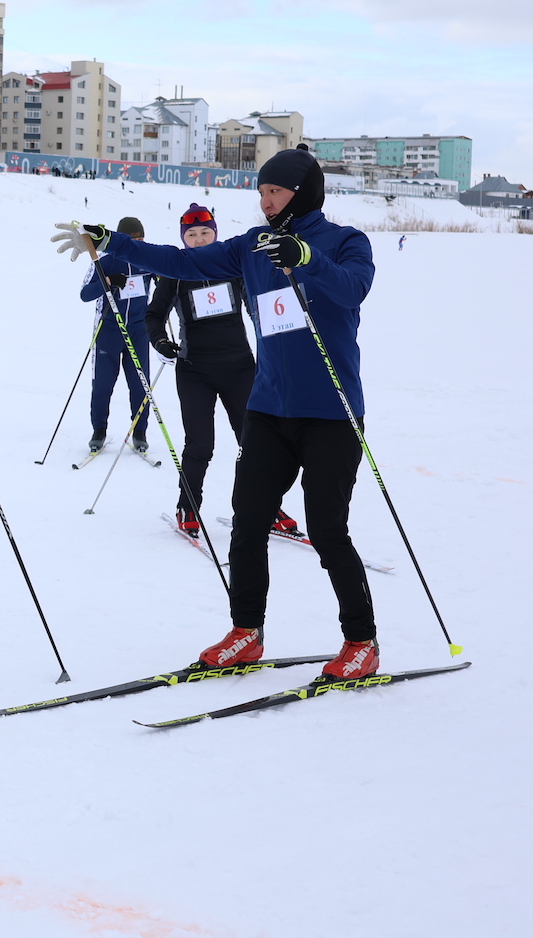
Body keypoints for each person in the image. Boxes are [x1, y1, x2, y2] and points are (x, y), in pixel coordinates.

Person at [52, 148, 380, 679]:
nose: (266, 202)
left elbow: (353, 290)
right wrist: (117, 244)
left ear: (304, 192)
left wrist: (306, 259)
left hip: (331, 413)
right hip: (269, 408)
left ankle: (361, 640)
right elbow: (183, 262)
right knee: (247, 521)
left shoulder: (345, 242)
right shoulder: (251, 247)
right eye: (262, 193)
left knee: (327, 529)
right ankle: (246, 631)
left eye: (275, 192)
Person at [146, 204, 295, 540]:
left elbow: (256, 307)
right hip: (194, 370)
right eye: (192, 236)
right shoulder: (176, 272)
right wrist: (160, 341)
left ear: (215, 233)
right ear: (184, 240)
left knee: (255, 442)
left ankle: (266, 506)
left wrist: (276, 333)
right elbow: (153, 315)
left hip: (240, 368)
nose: (199, 241)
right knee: (200, 446)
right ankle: (188, 506)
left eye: (205, 233)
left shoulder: (233, 265)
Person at [79, 216, 152, 455]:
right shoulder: (105, 261)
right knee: (102, 384)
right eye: (132, 240)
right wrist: (108, 281)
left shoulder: (148, 260)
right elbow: (85, 294)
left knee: (140, 384)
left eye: (141, 239)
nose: (137, 244)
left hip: (138, 330)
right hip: (109, 330)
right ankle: (98, 430)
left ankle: (139, 432)